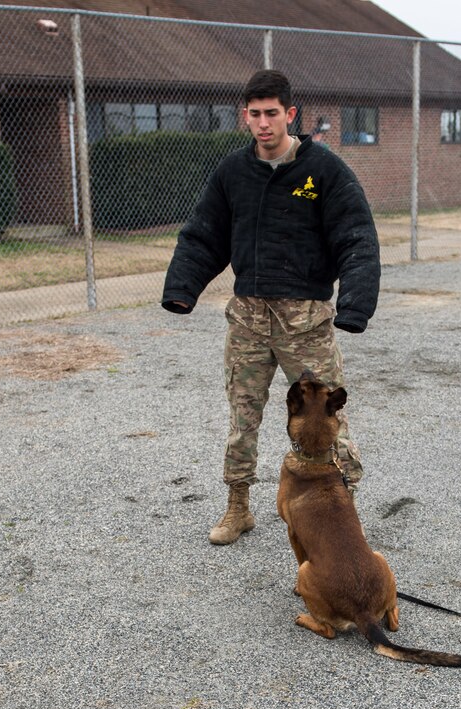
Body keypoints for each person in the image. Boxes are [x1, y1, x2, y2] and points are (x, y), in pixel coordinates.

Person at [161, 70, 380, 545]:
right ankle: (238, 507)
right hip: (249, 320)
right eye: (255, 114)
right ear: (246, 116)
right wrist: (183, 287)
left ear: (290, 114)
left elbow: (356, 236)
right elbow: (204, 234)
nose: (263, 123)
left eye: (272, 114)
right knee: (243, 418)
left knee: (326, 421)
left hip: (306, 324)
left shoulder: (325, 171)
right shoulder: (232, 173)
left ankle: (345, 514)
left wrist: (355, 305)